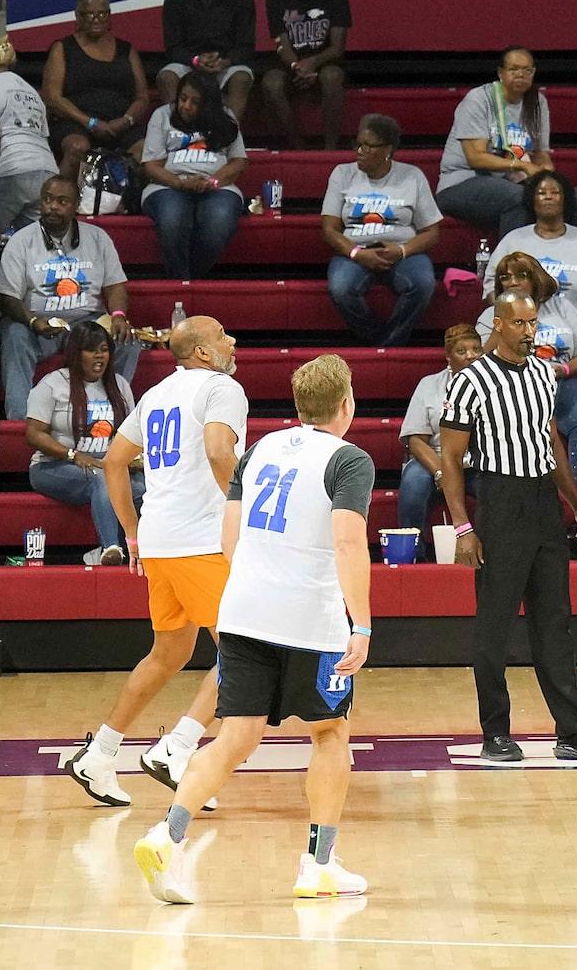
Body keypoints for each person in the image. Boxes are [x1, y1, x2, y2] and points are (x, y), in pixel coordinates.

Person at [134, 350, 373, 905]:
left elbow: (228, 536)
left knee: (235, 736)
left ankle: (165, 835)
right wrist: (360, 623)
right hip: (309, 621)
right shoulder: (349, 460)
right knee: (330, 733)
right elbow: (347, 542)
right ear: (347, 404)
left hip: (242, 611)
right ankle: (318, 864)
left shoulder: (262, 448)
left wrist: (252, 587)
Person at [64, 316, 249, 805]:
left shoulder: (156, 393)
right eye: (223, 336)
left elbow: (112, 460)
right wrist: (245, 513)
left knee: (170, 653)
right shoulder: (222, 388)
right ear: (205, 353)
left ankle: (99, 754)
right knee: (244, 654)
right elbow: (217, 451)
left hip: (161, 541)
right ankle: (178, 747)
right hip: (203, 541)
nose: (232, 341)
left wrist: (131, 531)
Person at [441, 286, 577, 762]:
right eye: (519, 323)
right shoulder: (471, 380)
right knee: (494, 623)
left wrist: (575, 503)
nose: (530, 332)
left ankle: (573, 730)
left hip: (542, 503)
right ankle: (495, 731)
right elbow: (450, 459)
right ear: (498, 324)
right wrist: (463, 528)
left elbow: (549, 442)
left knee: (555, 621)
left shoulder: (542, 374)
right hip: (499, 499)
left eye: (533, 323)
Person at [488, 171, 577, 441]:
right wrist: (510, 317)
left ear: (566, 199)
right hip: (521, 326)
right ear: (532, 200)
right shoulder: (515, 240)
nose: (548, 197)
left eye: (554, 192)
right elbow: (492, 285)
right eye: (541, 192)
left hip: (575, 323)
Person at [0, 173, 134, 419]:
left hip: (86, 324)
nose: (53, 207)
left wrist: (119, 315)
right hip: (37, 322)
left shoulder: (98, 238)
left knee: (126, 340)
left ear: (75, 206)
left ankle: (112, 410)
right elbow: (8, 297)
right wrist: (32, 321)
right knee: (14, 334)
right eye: (47, 200)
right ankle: (19, 420)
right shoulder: (21, 241)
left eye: (62, 201)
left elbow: (115, 285)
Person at [437, 47, 577, 232]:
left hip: (510, 182)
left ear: (533, 73)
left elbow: (541, 154)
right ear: (500, 72)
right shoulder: (479, 99)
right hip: (462, 181)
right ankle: (515, 260)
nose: (520, 74)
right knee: (518, 198)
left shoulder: (537, 102)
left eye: (527, 70)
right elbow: (476, 157)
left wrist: (547, 178)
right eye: (514, 69)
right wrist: (522, 166)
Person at [322, 114, 443, 353]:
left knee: (423, 283)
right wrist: (357, 254)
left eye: (368, 146)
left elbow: (432, 231)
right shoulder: (342, 174)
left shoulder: (412, 176)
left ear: (388, 149)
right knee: (341, 288)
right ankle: (378, 342)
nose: (359, 151)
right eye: (357, 144)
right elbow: (329, 229)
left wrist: (403, 250)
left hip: (401, 251)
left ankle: (388, 346)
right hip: (354, 251)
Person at [27, 323, 144, 568]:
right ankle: (110, 547)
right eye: (91, 350)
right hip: (54, 467)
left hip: (107, 466)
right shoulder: (52, 385)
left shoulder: (120, 385)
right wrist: (73, 455)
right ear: (76, 353)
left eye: (104, 349)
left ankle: (143, 550)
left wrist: (132, 459)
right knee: (101, 477)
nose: (99, 356)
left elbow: (132, 434)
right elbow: (34, 434)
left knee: (145, 486)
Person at [0, 35, 55, 333]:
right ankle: (39, 316)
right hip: (46, 171)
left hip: (9, 171)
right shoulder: (30, 90)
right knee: (36, 249)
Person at [137, 70, 248, 280]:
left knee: (220, 221)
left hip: (217, 185)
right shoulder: (162, 115)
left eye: (195, 102)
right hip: (167, 185)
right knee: (173, 219)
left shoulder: (225, 118)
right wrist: (180, 183)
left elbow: (239, 161)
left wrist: (213, 181)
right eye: (183, 98)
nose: (186, 106)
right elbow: (151, 166)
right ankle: (182, 284)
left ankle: (189, 280)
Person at [40, 0, 153, 188]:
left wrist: (126, 120)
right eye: (89, 14)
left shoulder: (125, 49)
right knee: (77, 148)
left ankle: (127, 204)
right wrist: (91, 122)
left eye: (102, 14)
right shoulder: (63, 48)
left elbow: (142, 96)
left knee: (145, 150)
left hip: (121, 124)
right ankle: (59, 199)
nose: (96, 19)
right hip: (76, 123)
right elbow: (53, 98)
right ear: (77, 16)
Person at [258, 0, 352, 146]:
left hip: (325, 63)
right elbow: (281, 42)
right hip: (290, 64)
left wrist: (312, 63)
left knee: (332, 76)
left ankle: (330, 149)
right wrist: (297, 66)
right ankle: (298, 147)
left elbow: (337, 47)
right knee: (271, 83)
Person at [159, 0, 259, 122]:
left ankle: (227, 137)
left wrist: (225, 62)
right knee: (166, 76)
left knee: (241, 78)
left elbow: (246, 46)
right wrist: (196, 60)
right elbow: (173, 47)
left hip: (227, 65)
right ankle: (179, 135)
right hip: (190, 63)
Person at [398, 326, 482, 551]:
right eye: (462, 351)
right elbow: (415, 439)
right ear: (448, 357)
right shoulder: (429, 384)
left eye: (476, 349)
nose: (471, 356)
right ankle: (414, 554)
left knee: (498, 488)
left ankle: (492, 554)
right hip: (435, 459)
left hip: (477, 463)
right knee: (412, 484)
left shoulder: (494, 387)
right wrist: (441, 472)